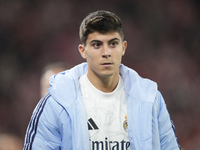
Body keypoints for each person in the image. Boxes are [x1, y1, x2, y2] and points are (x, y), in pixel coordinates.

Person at [23, 10, 180, 150]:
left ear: (123, 48)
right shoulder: (56, 104)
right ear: (82, 51)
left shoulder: (150, 100)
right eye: (97, 45)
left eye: (113, 44)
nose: (106, 52)